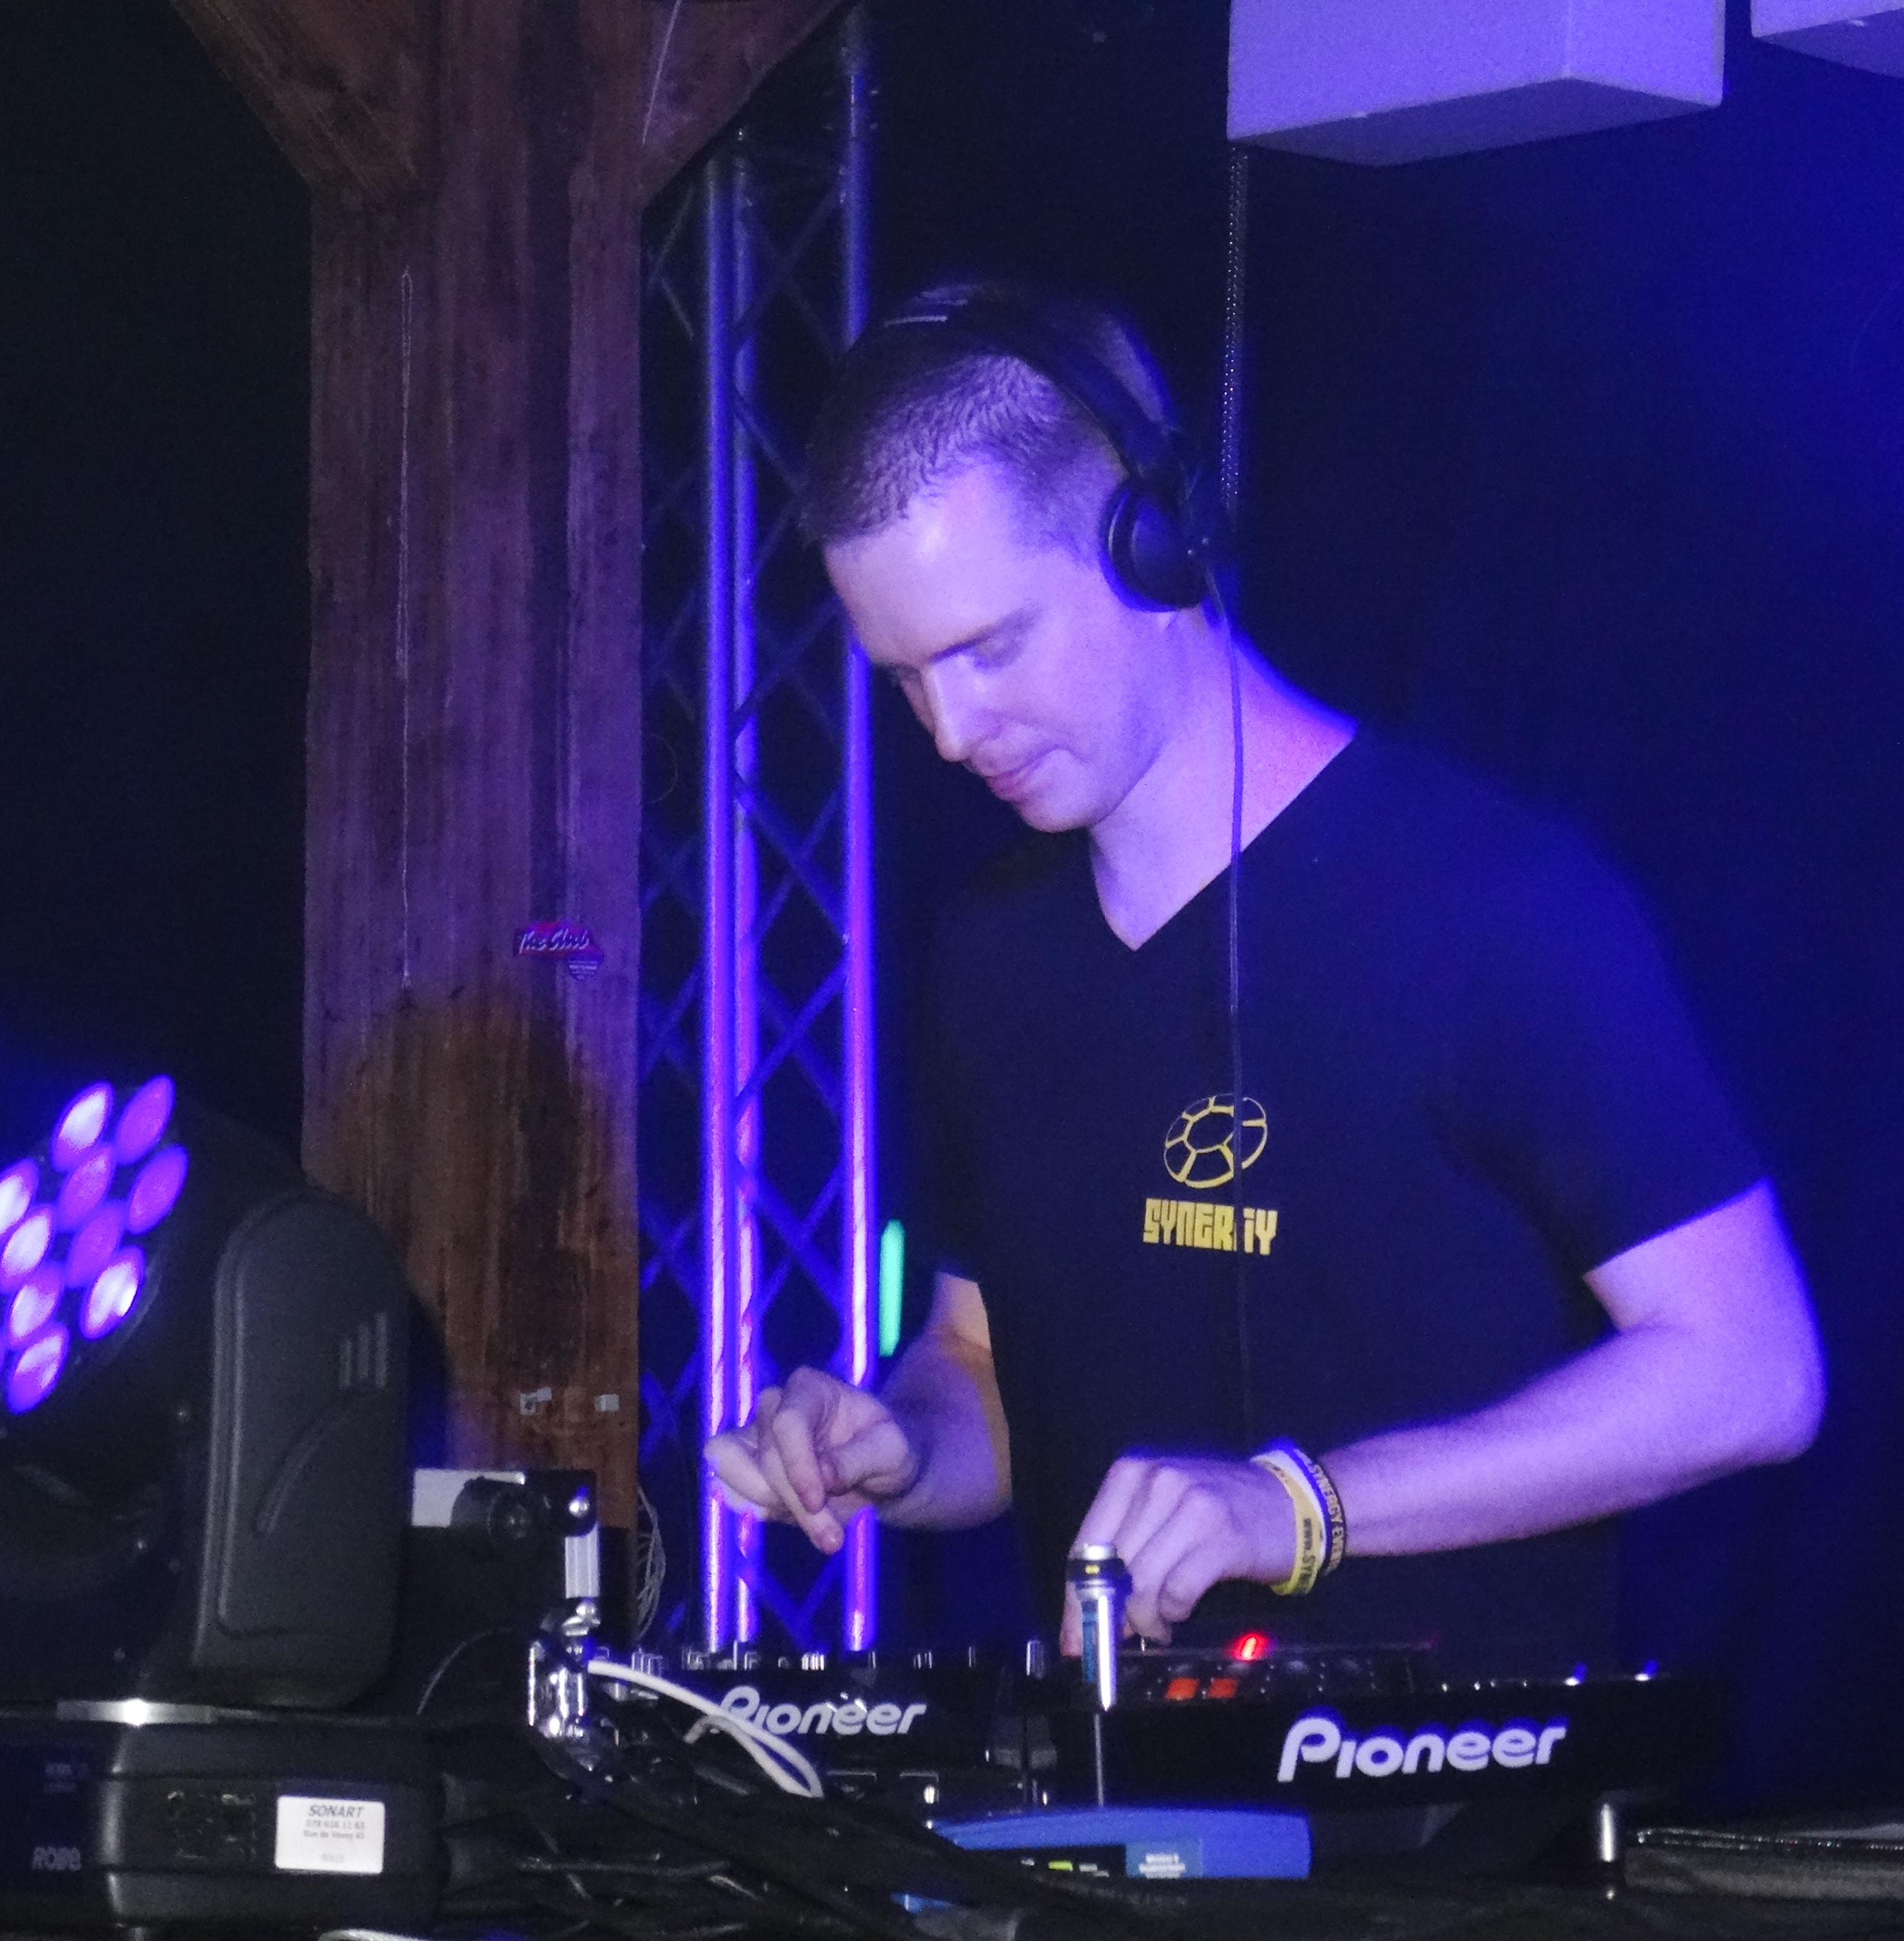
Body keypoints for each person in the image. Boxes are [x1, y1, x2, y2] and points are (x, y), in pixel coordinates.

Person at [705, 286, 1824, 1673]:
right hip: (1115, 1782)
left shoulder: (1492, 907)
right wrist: (899, 1441)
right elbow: (984, 1365)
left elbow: (1752, 1371)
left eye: (990, 648)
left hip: (1457, 1797)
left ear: (1151, 546)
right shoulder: (991, 952)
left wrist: (1299, 1510)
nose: (951, 730)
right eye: (906, 679)